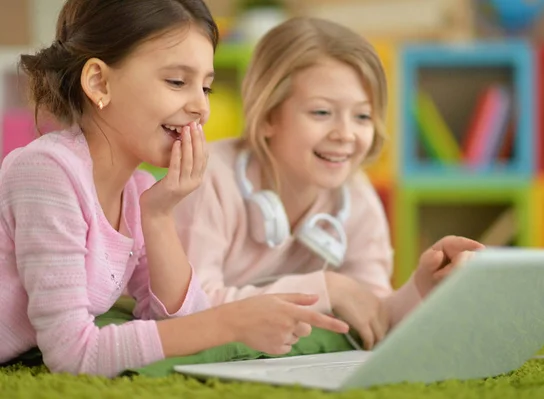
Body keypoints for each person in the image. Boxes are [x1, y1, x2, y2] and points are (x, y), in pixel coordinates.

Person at [0, 1, 349, 378]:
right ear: (99, 82)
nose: (201, 107)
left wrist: (160, 214)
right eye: (177, 82)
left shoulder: (138, 192)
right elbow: (71, 355)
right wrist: (230, 322)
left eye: (207, 88)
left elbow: (181, 319)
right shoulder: (47, 173)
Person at [173, 16, 484, 351]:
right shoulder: (209, 179)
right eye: (322, 113)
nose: (346, 134)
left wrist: (423, 285)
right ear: (267, 118)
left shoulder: (357, 196)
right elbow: (194, 309)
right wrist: (327, 288)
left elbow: (374, 319)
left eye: (362, 116)